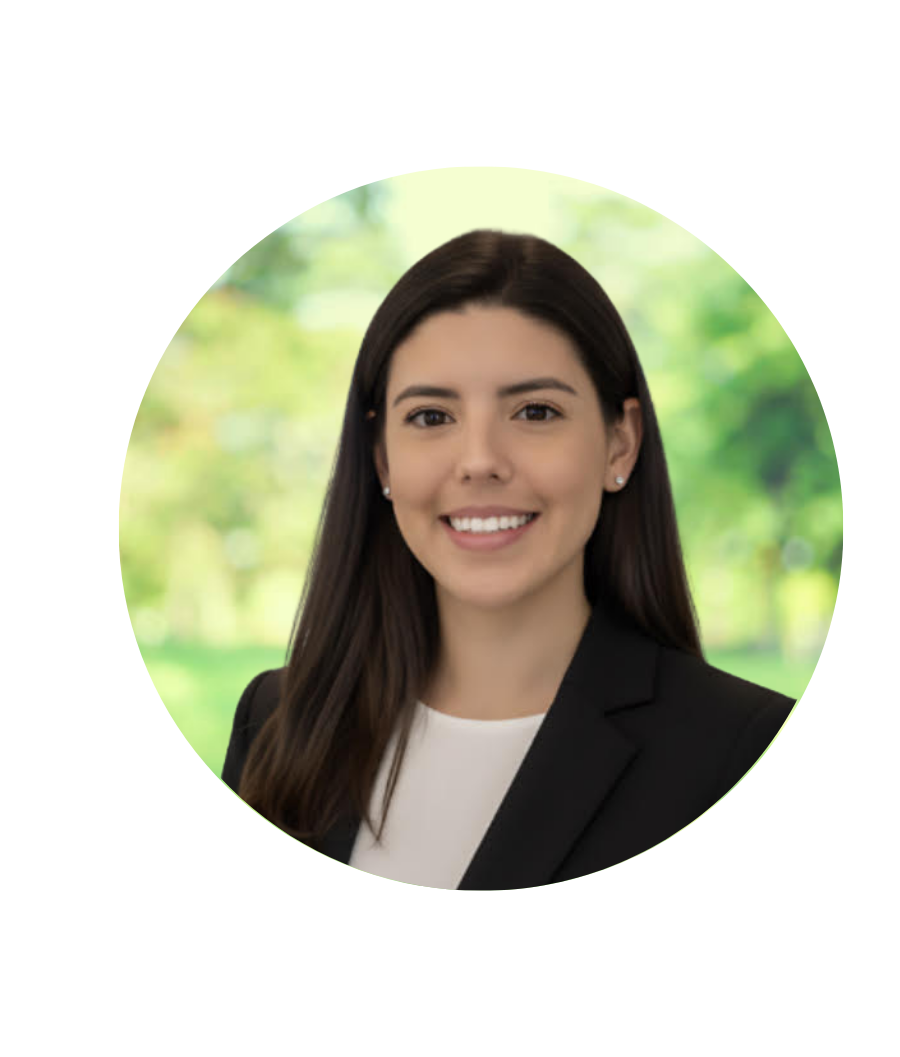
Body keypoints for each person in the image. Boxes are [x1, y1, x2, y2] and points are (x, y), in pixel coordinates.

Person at [221, 228, 795, 890]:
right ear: (382, 457)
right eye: (432, 417)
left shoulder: (748, 751)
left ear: (620, 443)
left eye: (535, 410)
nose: (480, 461)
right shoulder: (276, 719)